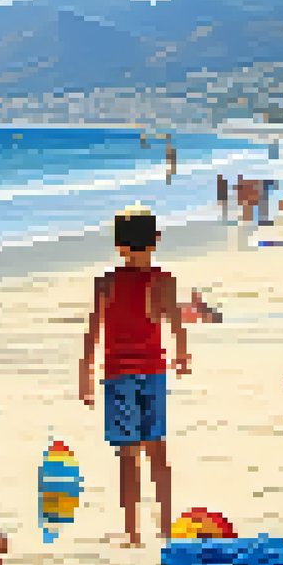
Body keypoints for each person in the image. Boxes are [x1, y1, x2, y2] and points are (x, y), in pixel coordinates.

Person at [80, 205, 190, 546]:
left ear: (118, 245)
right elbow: (176, 323)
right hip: (152, 373)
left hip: (117, 375)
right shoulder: (164, 281)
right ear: (155, 240)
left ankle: (133, 531)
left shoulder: (106, 282)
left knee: (127, 455)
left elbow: (92, 331)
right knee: (157, 450)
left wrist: (85, 373)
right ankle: (167, 526)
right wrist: (182, 355)